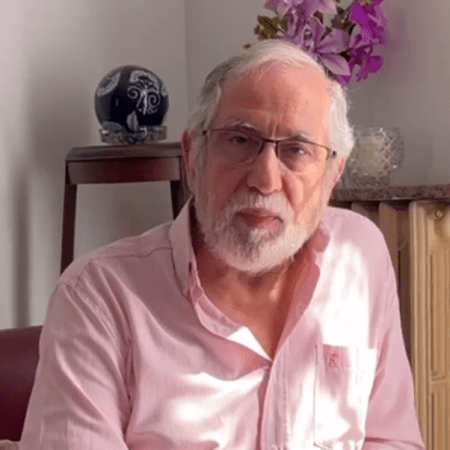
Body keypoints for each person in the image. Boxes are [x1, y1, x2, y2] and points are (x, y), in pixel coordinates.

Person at [21, 40, 424, 449]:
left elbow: (392, 440)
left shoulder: (360, 257)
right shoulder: (97, 299)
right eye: (240, 140)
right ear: (192, 155)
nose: (265, 180)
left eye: (297, 150)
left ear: (333, 174)